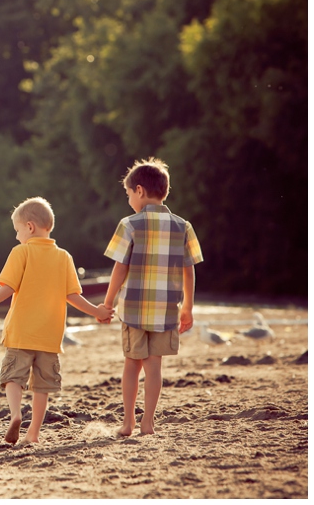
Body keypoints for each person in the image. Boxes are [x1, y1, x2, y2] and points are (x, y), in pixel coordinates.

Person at [0, 197, 112, 445]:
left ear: (30, 227)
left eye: (18, 230)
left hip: (21, 332)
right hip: (50, 336)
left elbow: (6, 290)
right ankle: (33, 434)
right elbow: (73, 296)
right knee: (41, 387)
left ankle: (15, 414)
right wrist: (96, 312)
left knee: (13, 377)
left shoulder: (21, 252)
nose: (17, 236)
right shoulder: (64, 257)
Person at [101, 157, 203, 436]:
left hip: (133, 308)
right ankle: (148, 423)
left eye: (128, 194)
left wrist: (108, 303)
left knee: (132, 364)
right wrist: (188, 308)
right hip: (166, 309)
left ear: (140, 191)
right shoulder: (183, 226)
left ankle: (128, 423)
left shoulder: (129, 224)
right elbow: (188, 270)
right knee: (154, 365)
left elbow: (120, 267)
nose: (129, 200)